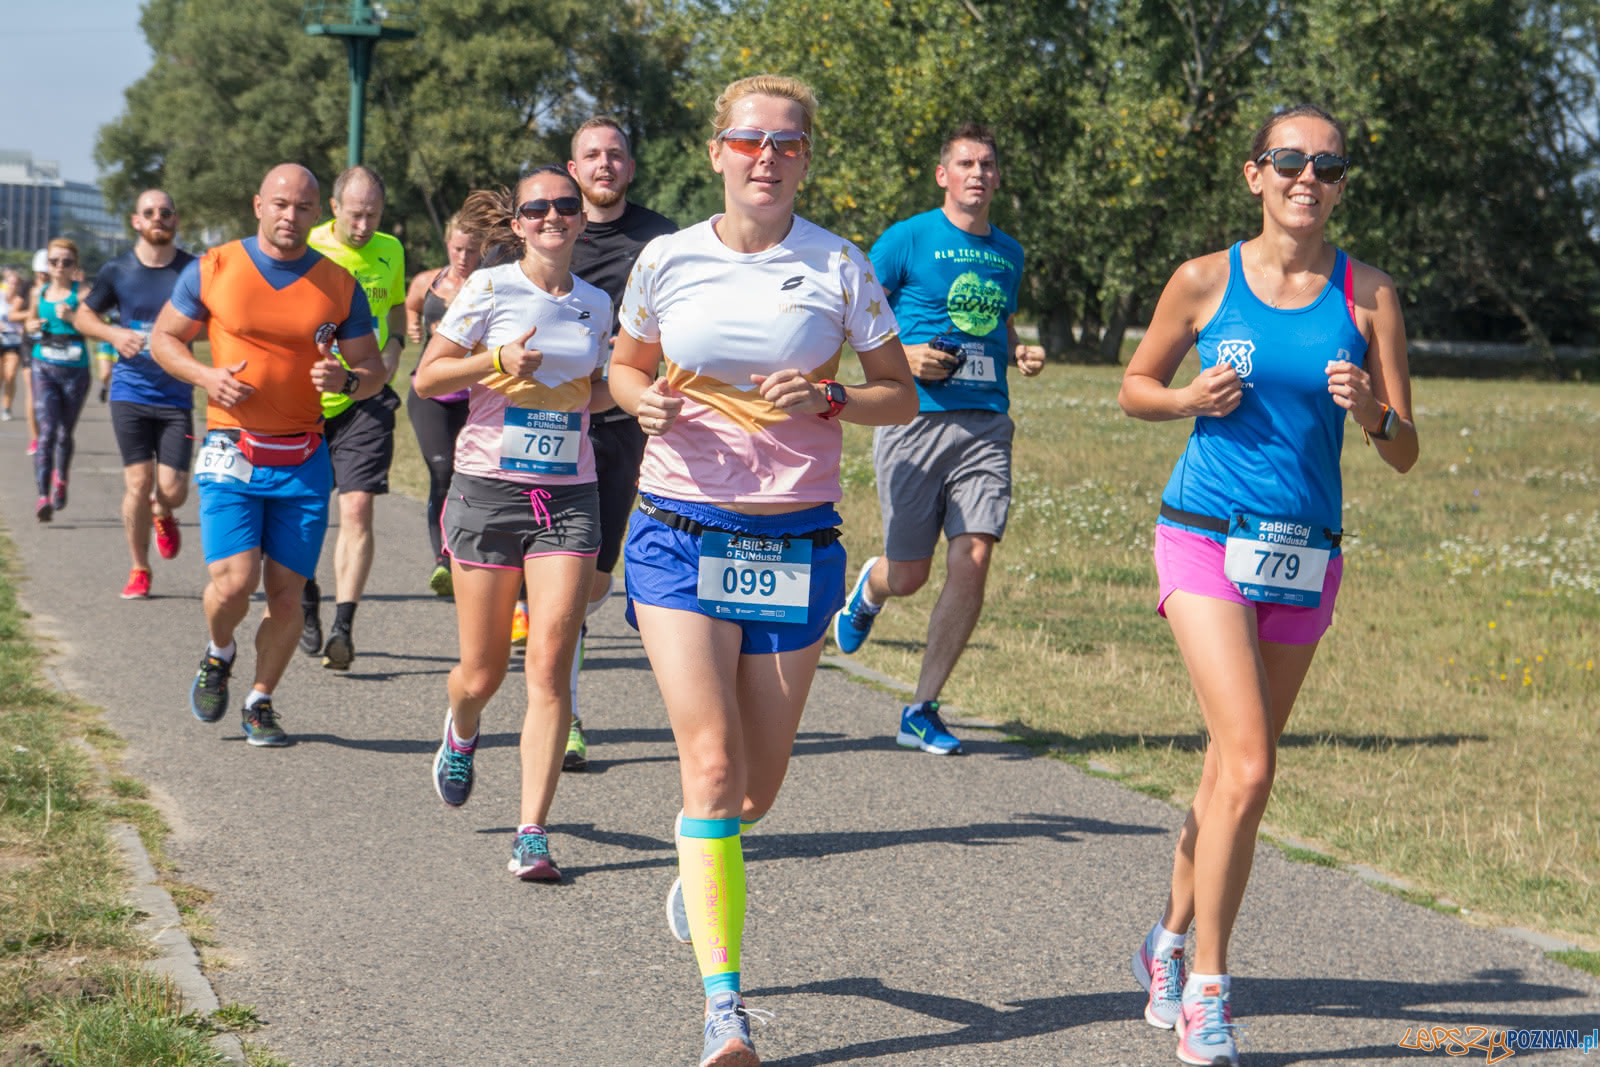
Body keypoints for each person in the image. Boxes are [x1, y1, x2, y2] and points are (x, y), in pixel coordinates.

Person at [609, 74, 915, 1067]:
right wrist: (637, 400)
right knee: (707, 762)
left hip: (792, 546)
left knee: (755, 786)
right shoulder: (666, 258)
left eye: (785, 145)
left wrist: (830, 395)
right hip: (676, 530)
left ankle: (706, 857)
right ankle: (723, 1007)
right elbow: (624, 363)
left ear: (806, 160)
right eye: (749, 142)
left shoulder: (839, 266)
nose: (766, 159)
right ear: (717, 152)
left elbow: (898, 395)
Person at [1117, 105, 1418, 1066]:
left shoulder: (1369, 296)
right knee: (1249, 765)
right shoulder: (1205, 281)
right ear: (1255, 173)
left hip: (1305, 554)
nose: (1307, 177)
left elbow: (1407, 451)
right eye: (1289, 160)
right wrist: (1182, 399)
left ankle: (1162, 943)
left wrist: (1374, 413)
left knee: (1226, 770)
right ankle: (1209, 988)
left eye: (1326, 165)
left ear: (1339, 185)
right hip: (1204, 538)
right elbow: (1134, 386)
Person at [413, 165, 611, 882]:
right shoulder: (489, 288)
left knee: (550, 664)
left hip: (568, 495)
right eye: (539, 208)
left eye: (566, 205)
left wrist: (654, 389)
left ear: (580, 217)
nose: (554, 216)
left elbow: (601, 389)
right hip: (488, 491)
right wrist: (496, 359)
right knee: (482, 671)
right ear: (519, 222)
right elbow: (428, 378)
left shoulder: (596, 303)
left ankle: (533, 830)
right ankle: (461, 730)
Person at [149, 163, 383, 747]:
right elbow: (163, 339)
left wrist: (347, 380)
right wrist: (206, 377)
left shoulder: (338, 283)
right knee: (232, 585)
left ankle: (260, 700)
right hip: (232, 449)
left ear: (318, 214)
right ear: (258, 205)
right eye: (280, 204)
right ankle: (219, 650)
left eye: (303, 207)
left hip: (303, 457)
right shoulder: (216, 267)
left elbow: (375, 370)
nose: (290, 216)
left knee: (286, 595)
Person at [830, 121, 1046, 756]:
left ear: (997, 177)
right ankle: (872, 586)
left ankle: (921, 708)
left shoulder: (1010, 252)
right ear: (943, 176)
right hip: (915, 419)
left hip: (986, 421)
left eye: (987, 164)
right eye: (965, 164)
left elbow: (996, 319)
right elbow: (853, 313)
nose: (977, 173)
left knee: (974, 554)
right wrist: (910, 353)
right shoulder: (907, 239)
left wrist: (1018, 350)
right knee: (910, 575)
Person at [562, 115, 678, 772]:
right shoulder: (553, 229)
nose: (604, 165)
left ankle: (554, 627)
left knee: (598, 576)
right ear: (573, 169)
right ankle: (567, 711)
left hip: (624, 422)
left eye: (615, 155)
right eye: (591, 156)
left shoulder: (663, 239)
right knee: (569, 571)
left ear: (630, 168)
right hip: (553, 425)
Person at [299, 164, 407, 671]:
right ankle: (305, 596)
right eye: (355, 215)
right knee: (306, 511)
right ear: (335, 208)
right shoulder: (308, 246)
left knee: (357, 507)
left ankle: (344, 624)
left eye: (374, 215)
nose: (364, 226)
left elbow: (400, 307)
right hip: (307, 400)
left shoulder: (391, 249)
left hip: (365, 397)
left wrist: (395, 350)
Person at [74, 189, 196, 599]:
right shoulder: (117, 271)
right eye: (150, 212)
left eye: (166, 211)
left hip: (176, 395)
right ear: (136, 221)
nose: (158, 217)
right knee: (138, 485)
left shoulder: (194, 270)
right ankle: (139, 569)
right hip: (130, 391)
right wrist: (113, 333)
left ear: (175, 220)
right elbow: (84, 314)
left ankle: (163, 513)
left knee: (173, 491)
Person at [403, 212, 481, 598]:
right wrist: (413, 323)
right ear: (447, 244)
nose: (463, 256)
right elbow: (412, 304)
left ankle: (471, 552)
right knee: (441, 471)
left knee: (470, 476)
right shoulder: (427, 282)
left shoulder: (487, 286)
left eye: (471, 249)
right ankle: (442, 561)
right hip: (429, 394)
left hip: (473, 396)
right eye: (457, 248)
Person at [23, 238, 93, 522]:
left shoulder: (83, 293)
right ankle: (42, 496)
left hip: (75, 370)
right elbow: (28, 322)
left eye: (66, 262)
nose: (60, 267)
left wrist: (75, 316)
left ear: (74, 266)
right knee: (47, 430)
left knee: (65, 433)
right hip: (44, 367)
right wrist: (29, 326)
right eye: (54, 261)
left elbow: (97, 330)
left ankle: (61, 477)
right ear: (47, 265)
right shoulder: (38, 292)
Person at [2, 268, 27, 422]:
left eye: (16, 284)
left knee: (10, 375)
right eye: (10, 283)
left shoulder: (22, 302)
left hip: (15, 342)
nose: (13, 286)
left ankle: (6, 408)